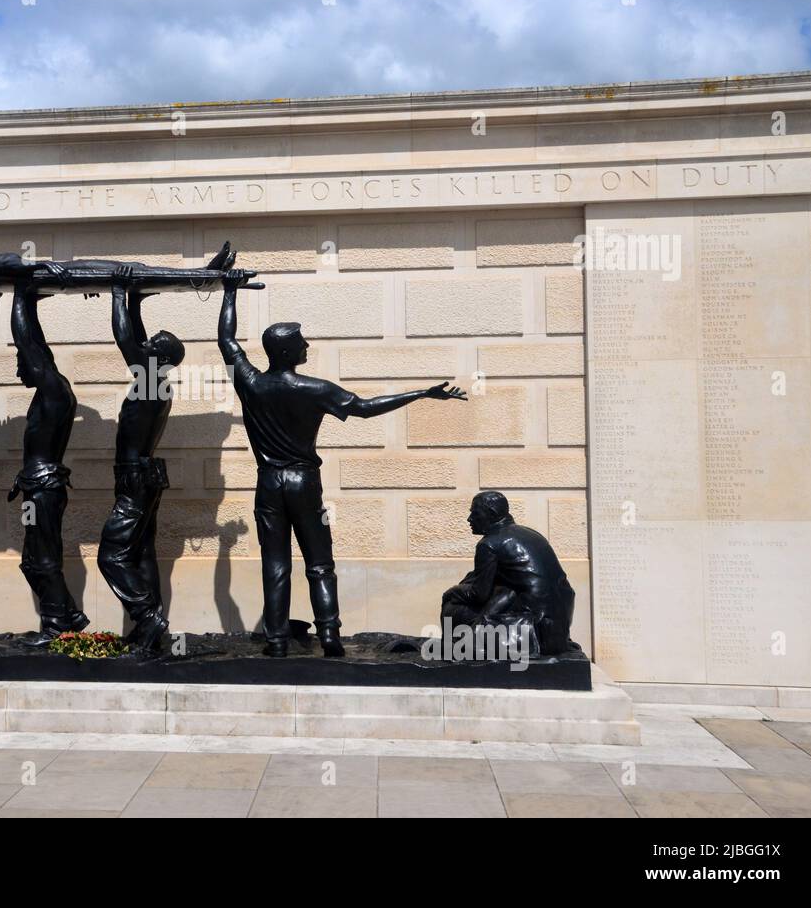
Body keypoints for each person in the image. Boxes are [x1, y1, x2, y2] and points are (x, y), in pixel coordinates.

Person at [218, 273, 466, 657]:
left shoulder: (251, 383)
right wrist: (421, 393)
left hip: (269, 484)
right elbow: (366, 409)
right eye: (301, 342)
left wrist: (229, 291)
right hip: (303, 483)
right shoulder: (315, 389)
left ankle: (278, 640)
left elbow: (226, 341)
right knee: (319, 562)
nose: (307, 345)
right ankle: (330, 636)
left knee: (276, 564)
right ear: (287, 352)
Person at [95, 259, 197, 650]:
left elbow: (125, 340)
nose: (146, 342)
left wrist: (119, 295)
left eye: (152, 341)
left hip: (136, 477)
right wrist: (134, 301)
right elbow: (135, 340)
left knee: (112, 556)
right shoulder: (156, 379)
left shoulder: (150, 377)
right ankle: (151, 627)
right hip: (146, 475)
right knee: (141, 553)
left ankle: (147, 617)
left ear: (159, 354)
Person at [10, 281, 87, 642]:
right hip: (36, 485)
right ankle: (68, 613)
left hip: (43, 488)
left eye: (19, 365)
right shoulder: (53, 387)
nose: (18, 372)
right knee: (31, 560)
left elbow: (27, 345)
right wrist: (31, 305)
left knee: (42, 558)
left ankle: (56, 623)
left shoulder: (54, 390)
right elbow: (37, 347)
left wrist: (18, 294)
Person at [441, 491, 576, 657]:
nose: (469, 519)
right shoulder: (531, 533)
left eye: (475, 513)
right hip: (557, 629)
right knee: (503, 592)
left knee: (453, 608)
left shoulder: (489, 544)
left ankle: (460, 648)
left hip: (532, 630)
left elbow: (479, 594)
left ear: (491, 514)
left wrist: (451, 592)